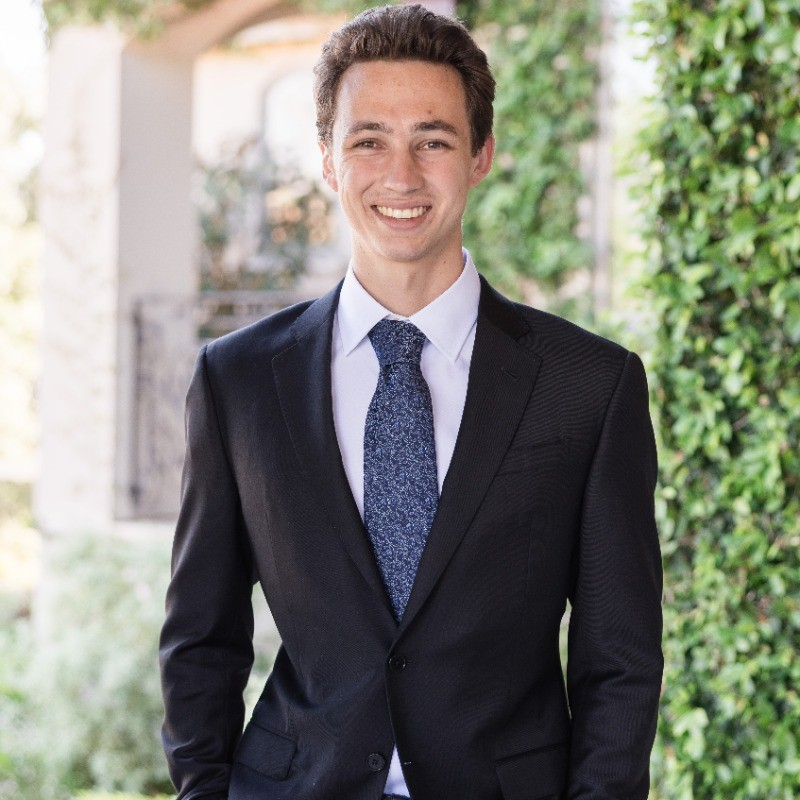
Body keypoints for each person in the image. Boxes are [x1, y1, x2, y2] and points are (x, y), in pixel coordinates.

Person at [159, 5, 663, 800]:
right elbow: (200, 638)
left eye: (433, 141)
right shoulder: (238, 381)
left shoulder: (590, 385)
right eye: (368, 141)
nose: (400, 176)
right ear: (328, 161)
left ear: (480, 156)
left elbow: (621, 660)